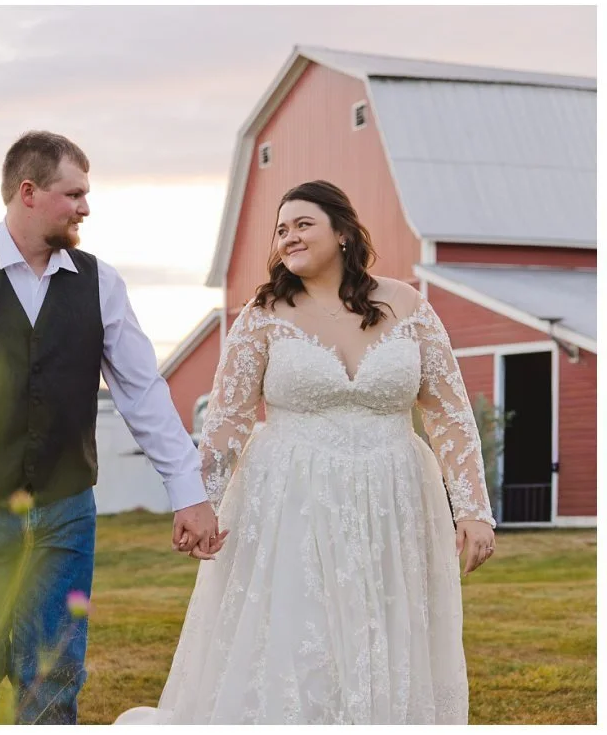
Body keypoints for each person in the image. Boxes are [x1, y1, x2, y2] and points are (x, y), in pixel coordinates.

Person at [0, 130, 226, 725]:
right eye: (75, 194)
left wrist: (188, 493)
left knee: (56, 678)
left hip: (66, 513)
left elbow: (142, 393)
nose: (86, 207)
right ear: (29, 191)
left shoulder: (100, 282)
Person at [115, 179, 497, 725]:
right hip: (289, 501)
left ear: (342, 233)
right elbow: (227, 421)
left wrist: (473, 509)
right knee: (299, 638)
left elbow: (451, 414)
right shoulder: (263, 314)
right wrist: (200, 504)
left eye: (302, 224)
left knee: (387, 633)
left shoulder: (409, 306)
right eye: (280, 229)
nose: (288, 237)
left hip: (393, 500)